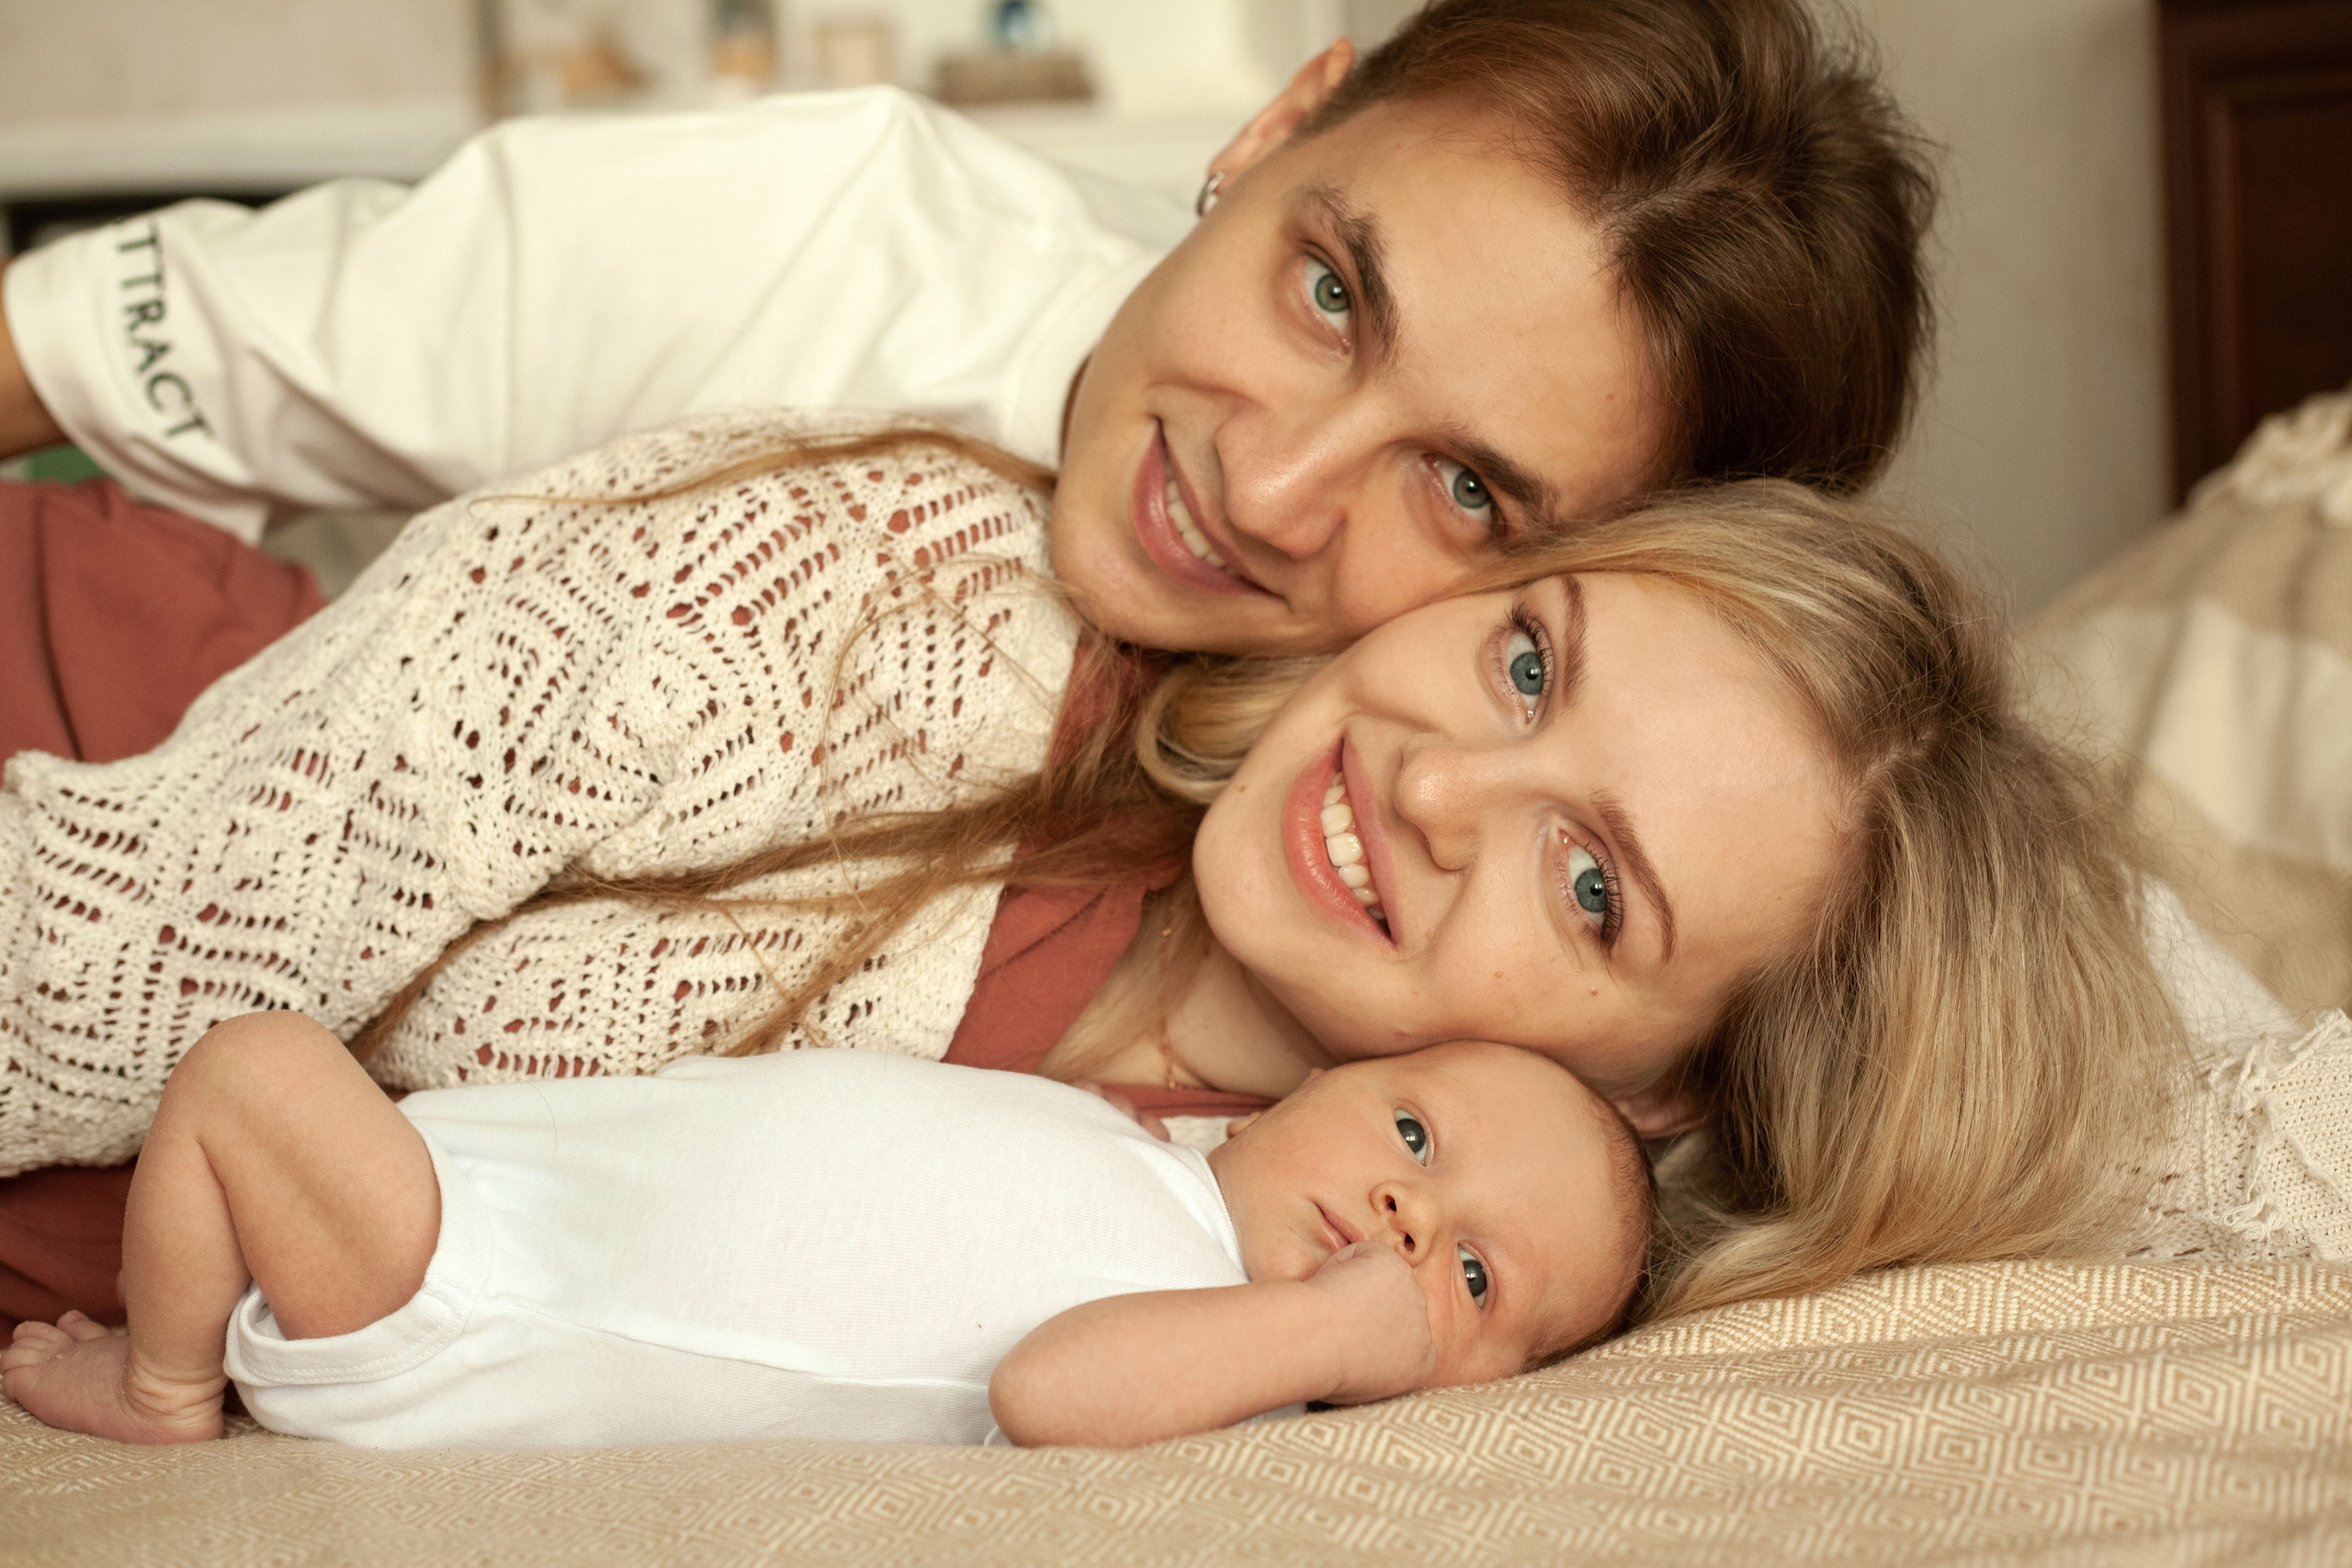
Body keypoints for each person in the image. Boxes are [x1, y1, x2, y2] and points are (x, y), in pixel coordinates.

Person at [0, 415, 2256, 1336]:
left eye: (1595, 892)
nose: (1443, 786)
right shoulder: (926, 611)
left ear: (1667, 1092)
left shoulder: (1328, 1262)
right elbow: (123, 959)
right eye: (1524, 654)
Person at [0, 0, 1932, 657]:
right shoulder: (790, 227)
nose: (1265, 484)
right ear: (1271, 128)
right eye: (1330, 289)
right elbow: (68, 347)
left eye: (1467, 490)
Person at [1, 1017, 1650, 1450]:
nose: (1402, 1221)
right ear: (1323, 1081)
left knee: (245, 1074)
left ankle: (161, 1396)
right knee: (251, 1094)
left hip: (475, 1298)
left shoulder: (1234, 1351)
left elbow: (1052, 1395)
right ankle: (180, 1337)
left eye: (1473, 1277)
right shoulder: (1140, 1148)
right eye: (1415, 1137)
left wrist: (1334, 1333)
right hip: (504, 1187)